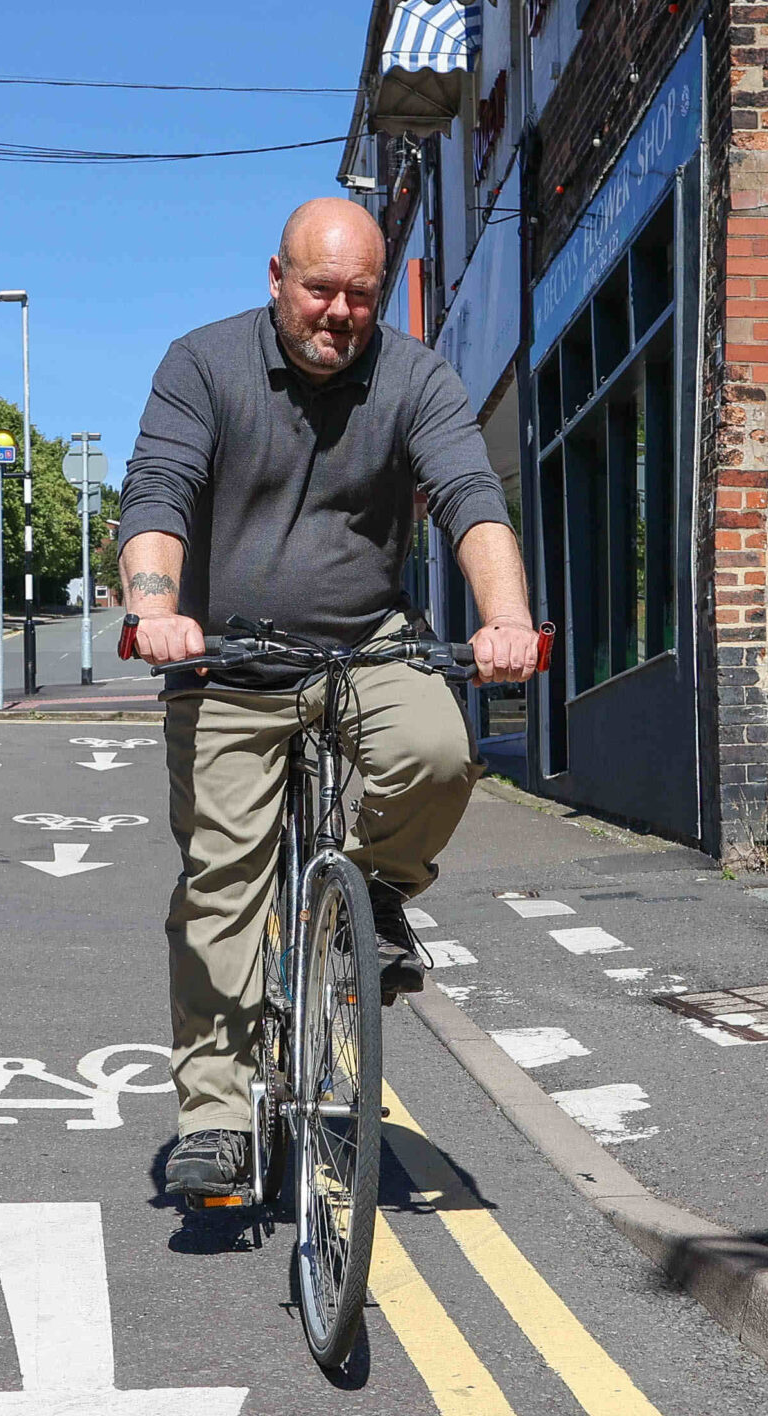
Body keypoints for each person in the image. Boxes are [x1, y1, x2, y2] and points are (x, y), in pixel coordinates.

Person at [116, 197, 541, 1199]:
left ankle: (373, 892)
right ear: (276, 279)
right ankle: (217, 1117)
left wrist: (507, 619)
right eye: (319, 290)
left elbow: (470, 496)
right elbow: (158, 493)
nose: (339, 313)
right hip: (226, 659)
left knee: (438, 751)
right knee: (222, 883)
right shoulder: (202, 365)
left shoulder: (414, 377)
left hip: (362, 642)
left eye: (360, 295)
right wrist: (157, 609)